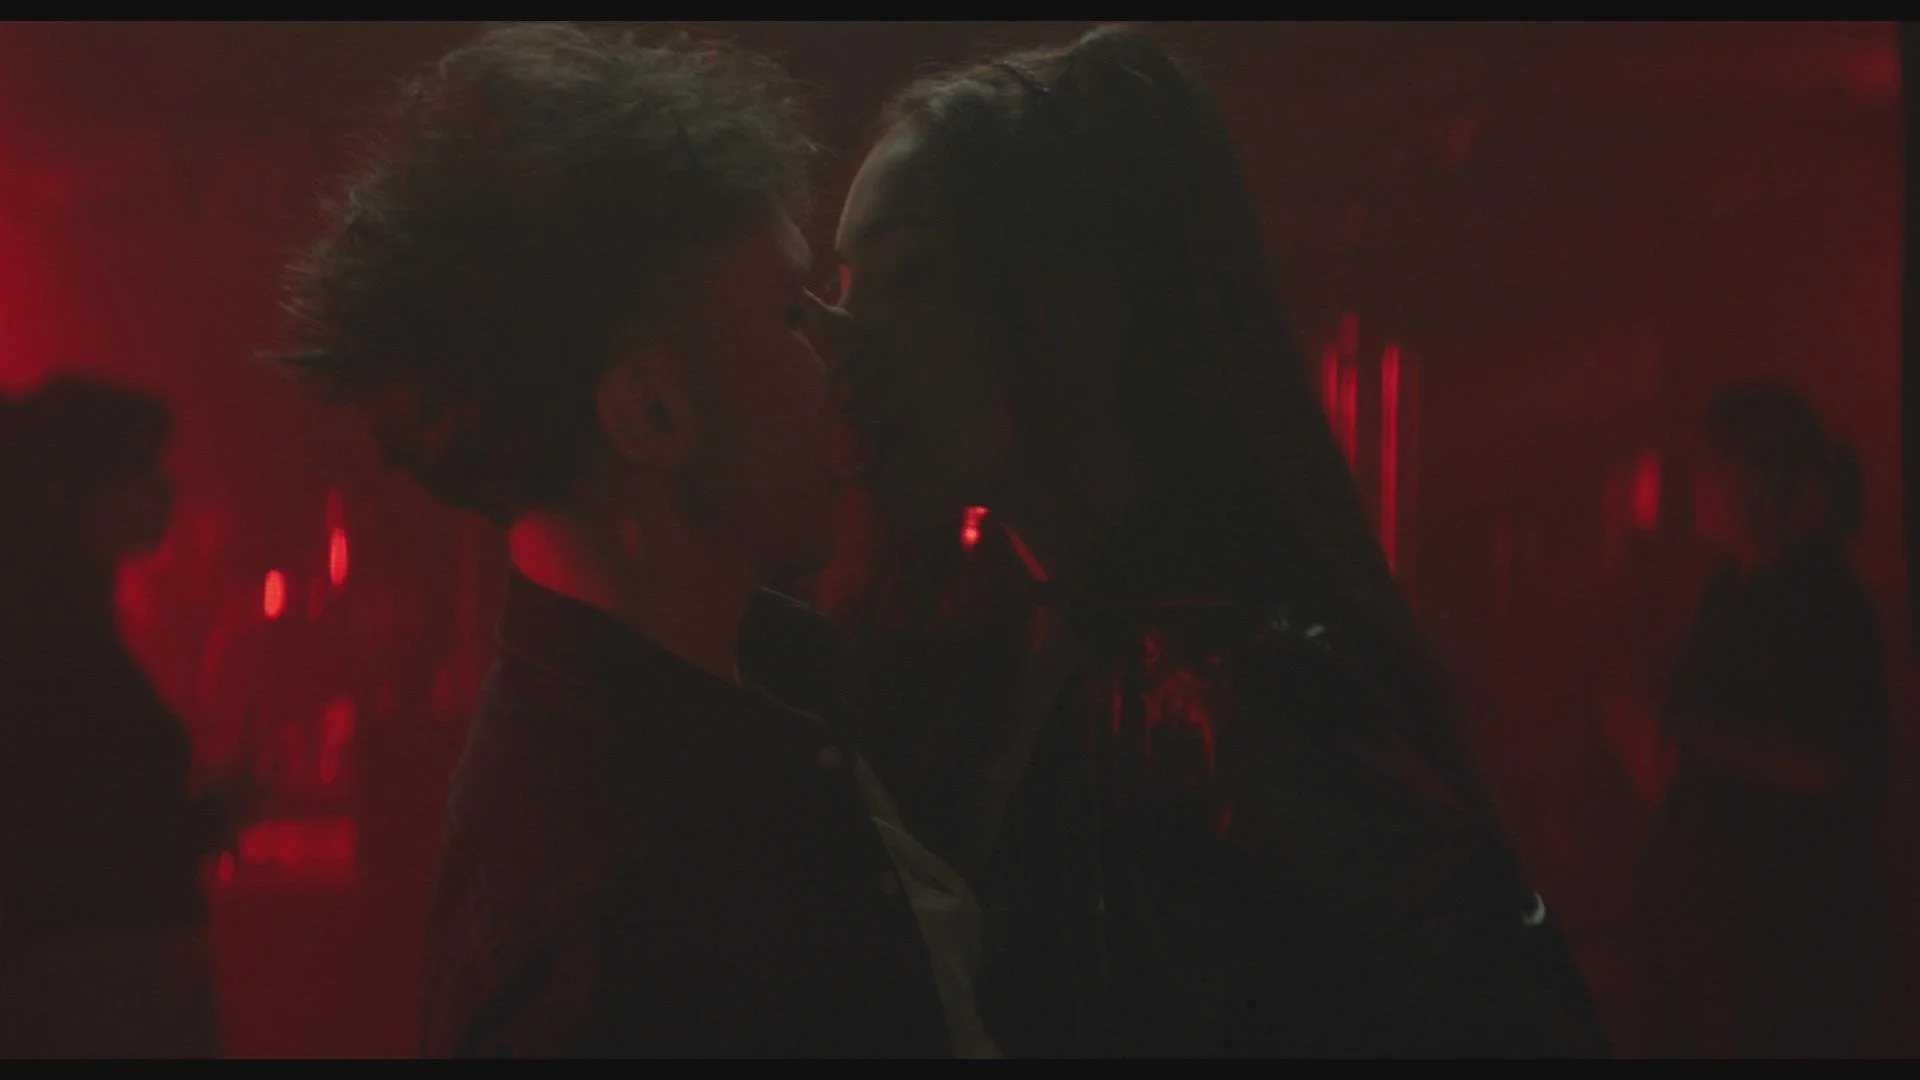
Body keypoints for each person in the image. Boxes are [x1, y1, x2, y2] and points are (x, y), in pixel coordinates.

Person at [822, 24, 1610, 1057]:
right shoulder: (1005, 656)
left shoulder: (1259, 704)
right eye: (841, 287)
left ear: (1086, 300)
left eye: (907, 275)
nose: (840, 344)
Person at [271, 23, 963, 1058]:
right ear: (649, 411)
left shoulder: (743, 696)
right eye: (791, 312)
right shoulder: (625, 926)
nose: (841, 347)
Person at [1610, 382, 1893, 1057]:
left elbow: (1832, 764)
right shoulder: (1728, 590)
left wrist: (1690, 740)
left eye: (1711, 468)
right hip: (1710, 929)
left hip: (1779, 936)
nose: (1696, 487)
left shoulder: (1823, 602)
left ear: (1757, 479)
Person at [0, 376, 254, 1058]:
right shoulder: (50, 652)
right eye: (138, 469)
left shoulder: (69, 636)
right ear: (70, 494)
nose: (165, 488)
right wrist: (208, 818)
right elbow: (79, 837)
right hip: (92, 988)